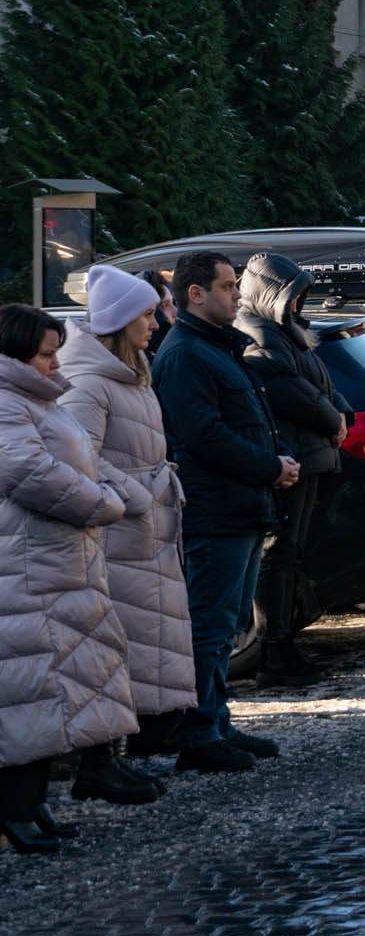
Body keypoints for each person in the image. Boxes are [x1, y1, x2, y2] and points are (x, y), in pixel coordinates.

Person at [0, 305, 154, 854]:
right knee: (31, 690)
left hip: (57, 564)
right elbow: (30, 472)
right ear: (17, 354)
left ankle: (31, 803)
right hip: (27, 568)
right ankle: (14, 809)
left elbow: (82, 458)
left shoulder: (35, 398)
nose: (53, 363)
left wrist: (117, 493)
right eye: (44, 355)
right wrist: (103, 503)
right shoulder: (7, 402)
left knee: (53, 687)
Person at [154, 251, 294, 770]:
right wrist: (267, 466)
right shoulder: (186, 353)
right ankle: (199, 736)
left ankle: (217, 722)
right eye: (229, 286)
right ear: (197, 293)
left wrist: (273, 463)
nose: (238, 295)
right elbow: (203, 435)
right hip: (216, 509)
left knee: (228, 624)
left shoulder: (215, 347)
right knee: (211, 626)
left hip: (242, 505)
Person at [58, 267, 196, 764]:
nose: (156, 322)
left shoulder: (133, 373)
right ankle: (115, 755)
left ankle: (151, 737)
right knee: (129, 641)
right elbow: (79, 458)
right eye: (145, 314)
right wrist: (138, 496)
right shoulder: (91, 384)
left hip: (149, 532)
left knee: (155, 638)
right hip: (124, 534)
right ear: (119, 322)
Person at [236, 253, 351, 689]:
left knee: (289, 552)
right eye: (294, 295)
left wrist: (342, 414)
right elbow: (288, 390)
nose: (300, 303)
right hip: (291, 454)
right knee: (278, 553)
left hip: (307, 451)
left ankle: (281, 644)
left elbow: (319, 383)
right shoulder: (258, 331)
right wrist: (333, 419)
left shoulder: (283, 331)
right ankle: (273, 648)